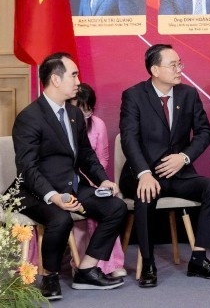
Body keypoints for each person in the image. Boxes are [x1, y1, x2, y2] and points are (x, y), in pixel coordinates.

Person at [10, 53, 126, 300]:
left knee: (116, 207)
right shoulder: (29, 117)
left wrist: (103, 179)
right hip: (35, 191)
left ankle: (86, 270)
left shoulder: (74, 114)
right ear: (55, 79)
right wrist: (53, 197)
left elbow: (86, 155)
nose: (78, 81)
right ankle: (49, 276)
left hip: (71, 186)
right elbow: (27, 169)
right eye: (73, 75)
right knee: (60, 218)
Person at [119, 44, 210, 288]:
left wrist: (184, 157)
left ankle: (198, 259)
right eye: (173, 65)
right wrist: (144, 173)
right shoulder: (134, 95)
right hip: (144, 173)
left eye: (180, 64)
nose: (180, 69)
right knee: (145, 194)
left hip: (178, 174)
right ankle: (148, 264)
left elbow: (204, 132)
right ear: (155, 70)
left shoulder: (188, 94)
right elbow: (129, 139)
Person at [69, 83, 127, 278]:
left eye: (87, 111)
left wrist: (99, 182)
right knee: (81, 206)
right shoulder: (62, 124)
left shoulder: (98, 124)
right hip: (71, 183)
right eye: (79, 110)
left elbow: (101, 159)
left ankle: (110, 264)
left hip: (93, 181)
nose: (83, 115)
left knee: (110, 203)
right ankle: (79, 262)